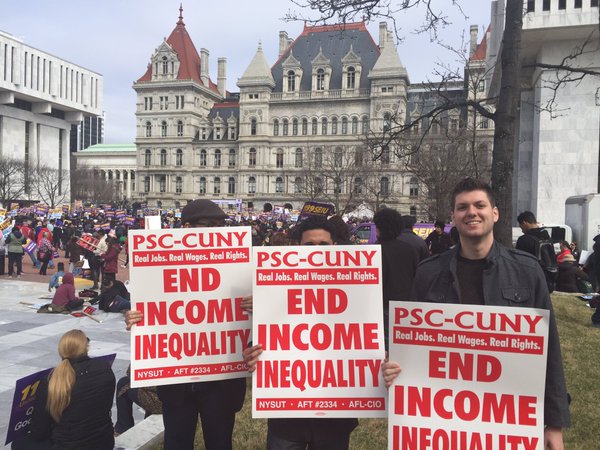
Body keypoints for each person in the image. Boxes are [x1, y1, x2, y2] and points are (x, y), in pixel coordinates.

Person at [399, 178, 570, 449]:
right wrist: (395, 367)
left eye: (480, 205)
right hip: (444, 420)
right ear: (453, 216)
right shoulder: (428, 272)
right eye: (462, 207)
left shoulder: (527, 270)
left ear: (495, 213)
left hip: (509, 418)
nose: (471, 212)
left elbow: (549, 350)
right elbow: (411, 350)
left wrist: (555, 423)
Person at [125, 199, 247, 450]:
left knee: (220, 443)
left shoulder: (238, 264)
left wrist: (257, 305)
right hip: (178, 381)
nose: (218, 231)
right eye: (210, 225)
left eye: (221, 226)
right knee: (177, 442)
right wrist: (135, 317)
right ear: (187, 227)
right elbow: (152, 307)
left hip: (221, 380)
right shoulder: (159, 263)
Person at [243, 216, 361, 450]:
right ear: (297, 247)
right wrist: (252, 353)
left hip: (334, 410)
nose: (317, 251)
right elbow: (260, 339)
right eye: (309, 246)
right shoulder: (273, 286)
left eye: (323, 246)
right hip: (287, 412)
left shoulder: (357, 287)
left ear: (334, 247)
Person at [11, 329, 115, 450]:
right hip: (104, 442)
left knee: (19, 443)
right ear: (86, 347)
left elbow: (39, 432)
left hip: (68, 445)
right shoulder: (104, 367)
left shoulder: (51, 380)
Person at [373, 208, 419, 350]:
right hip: (406, 307)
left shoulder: (376, 250)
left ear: (379, 228)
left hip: (383, 305)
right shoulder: (409, 248)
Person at [114, 365, 162, 435]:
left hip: (162, 402)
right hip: (178, 398)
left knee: (123, 383)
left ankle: (123, 429)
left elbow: (131, 373)